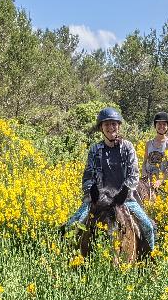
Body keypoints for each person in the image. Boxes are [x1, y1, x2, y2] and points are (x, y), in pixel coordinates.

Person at [61, 107, 156, 252]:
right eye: (106, 124)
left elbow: (134, 173)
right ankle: (68, 259)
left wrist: (125, 190)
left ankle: (150, 259)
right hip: (99, 200)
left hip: (124, 199)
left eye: (114, 124)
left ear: (118, 126)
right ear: (101, 128)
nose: (111, 127)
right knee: (71, 225)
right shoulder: (95, 149)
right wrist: (92, 190)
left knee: (148, 227)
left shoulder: (128, 147)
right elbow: (87, 176)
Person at [142, 111, 168, 188]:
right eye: (159, 124)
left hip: (164, 182)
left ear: (167, 126)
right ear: (155, 126)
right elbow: (144, 162)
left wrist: (161, 181)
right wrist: (144, 175)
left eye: (164, 124)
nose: (161, 126)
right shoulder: (148, 143)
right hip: (149, 181)